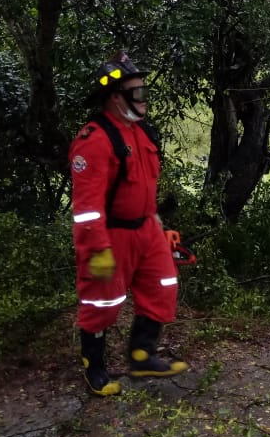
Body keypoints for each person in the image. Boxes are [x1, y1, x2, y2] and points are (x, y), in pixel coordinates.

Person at [69, 51, 188, 397]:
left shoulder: (141, 133)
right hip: (111, 235)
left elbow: (145, 188)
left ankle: (142, 354)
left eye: (143, 92)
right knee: (102, 303)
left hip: (146, 229)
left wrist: (159, 226)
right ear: (115, 97)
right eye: (137, 93)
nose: (143, 100)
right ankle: (95, 367)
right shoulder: (94, 141)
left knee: (163, 285)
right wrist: (97, 249)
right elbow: (87, 208)